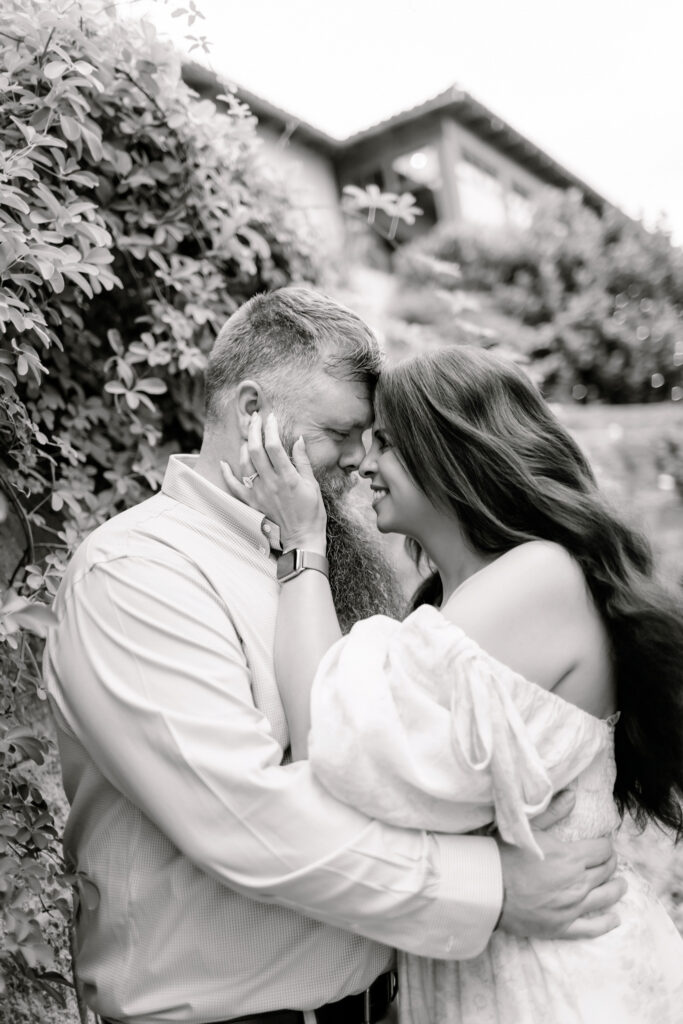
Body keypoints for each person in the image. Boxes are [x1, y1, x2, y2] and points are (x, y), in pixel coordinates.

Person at [45, 290, 624, 1024]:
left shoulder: (325, 562)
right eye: (342, 433)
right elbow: (245, 819)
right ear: (252, 411)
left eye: (373, 437)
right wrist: (495, 887)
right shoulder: (137, 574)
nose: (361, 461)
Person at [222, 341, 683, 1024]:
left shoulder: (538, 576)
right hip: (497, 972)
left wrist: (302, 543)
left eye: (387, 444)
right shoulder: (456, 600)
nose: (363, 465)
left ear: (453, 451)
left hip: (559, 986)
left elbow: (333, 738)